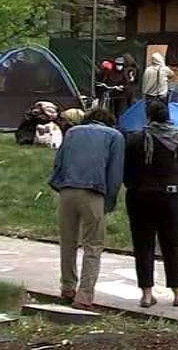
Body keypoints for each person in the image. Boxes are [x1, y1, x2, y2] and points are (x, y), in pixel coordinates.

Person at [48, 107, 124, 311]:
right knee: (93, 246)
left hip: (67, 190)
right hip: (93, 192)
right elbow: (115, 172)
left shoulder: (72, 132)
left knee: (68, 241)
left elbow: (59, 161)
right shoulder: (114, 136)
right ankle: (84, 295)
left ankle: (67, 287)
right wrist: (109, 201)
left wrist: (58, 184)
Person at [124, 100, 178, 308]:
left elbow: (126, 168)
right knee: (172, 244)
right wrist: (176, 184)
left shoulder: (137, 139)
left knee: (143, 244)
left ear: (148, 117)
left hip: (141, 195)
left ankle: (147, 294)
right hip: (171, 195)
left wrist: (133, 185)